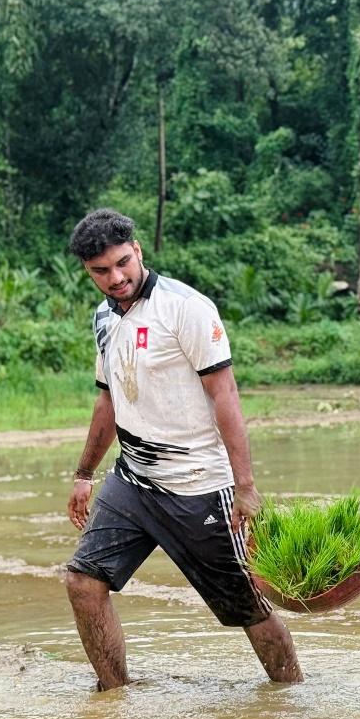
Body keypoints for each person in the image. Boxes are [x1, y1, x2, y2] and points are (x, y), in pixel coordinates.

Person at [61, 209, 302, 690]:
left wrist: (246, 486)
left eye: (123, 263)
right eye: (101, 271)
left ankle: (290, 697)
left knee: (247, 606)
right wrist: (84, 473)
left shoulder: (186, 308)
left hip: (199, 486)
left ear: (138, 251)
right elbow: (109, 399)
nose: (116, 278)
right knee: (83, 582)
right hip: (132, 481)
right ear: (87, 271)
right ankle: (114, 698)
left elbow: (225, 395)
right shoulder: (105, 319)